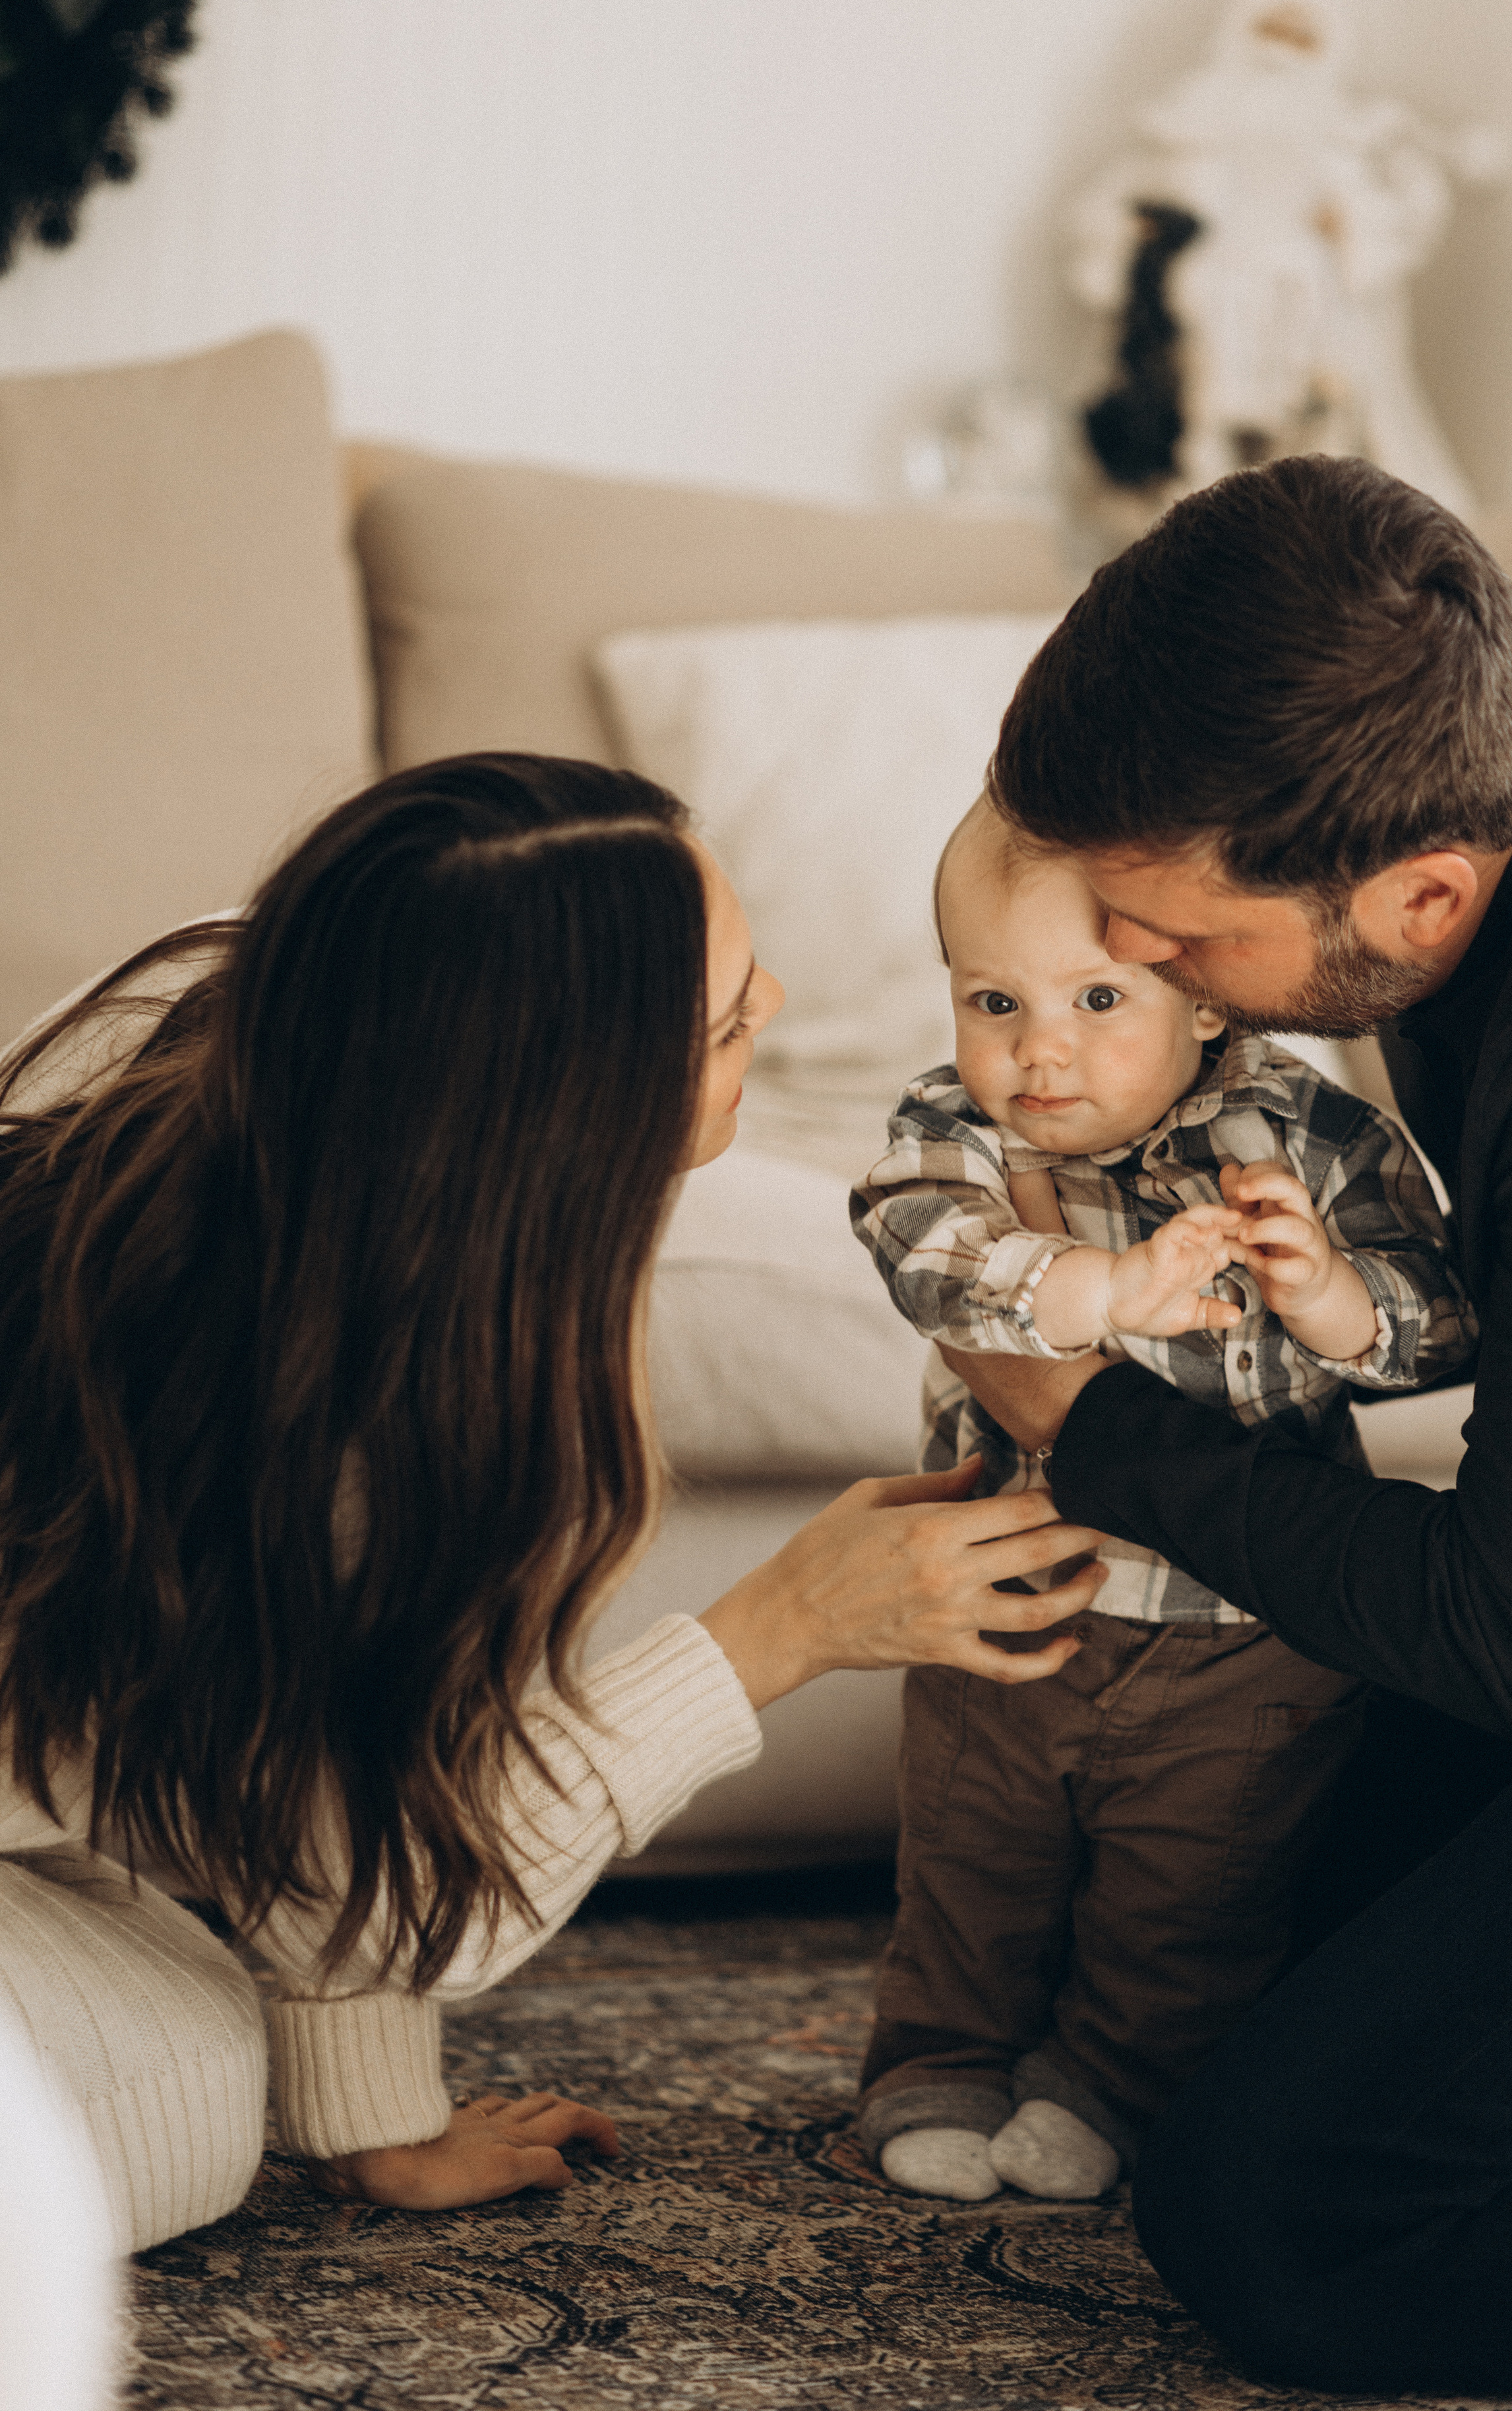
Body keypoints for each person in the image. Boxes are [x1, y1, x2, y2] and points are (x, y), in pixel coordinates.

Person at [0, 754, 1108, 2258]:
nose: (772, 1003)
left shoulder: (232, 1004)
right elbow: (411, 1900)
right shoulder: (373, 1415)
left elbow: (335, 1771)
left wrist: (370, 2117)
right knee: (188, 2094)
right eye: (724, 1020)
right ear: (570, 1125)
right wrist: (779, 1630)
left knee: (176, 1982)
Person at [951, 450, 1512, 2395]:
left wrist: (1100, 1432)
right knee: (1277, 1932)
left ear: (1418, 893)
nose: (1155, 981)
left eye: (1178, 947)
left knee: (1282, 2221)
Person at [847, 799, 1474, 2204]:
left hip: (1235, 1631)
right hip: (1009, 1595)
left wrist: (1321, 1293)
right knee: (971, 1857)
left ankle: (1107, 2086)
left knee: (1193, 1888)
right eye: (991, 999)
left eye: (1095, 999)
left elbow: (1441, 1327)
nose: (1038, 1047)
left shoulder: (1312, 1135)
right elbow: (918, 1247)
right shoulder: (951, 1128)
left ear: (1198, 1002)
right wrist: (1097, 1292)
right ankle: (938, 2061)